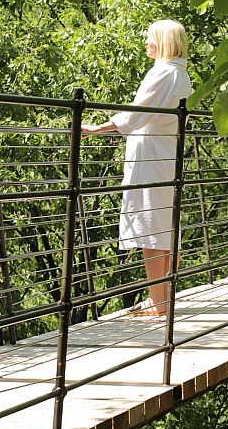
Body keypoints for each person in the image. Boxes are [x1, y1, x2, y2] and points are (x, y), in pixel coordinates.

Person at [81, 20, 193, 317]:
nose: (146, 43)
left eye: (149, 38)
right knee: (164, 226)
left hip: (152, 157)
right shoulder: (181, 74)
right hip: (165, 153)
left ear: (163, 41)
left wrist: (98, 128)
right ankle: (163, 297)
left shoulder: (164, 72)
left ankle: (157, 300)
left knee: (151, 226)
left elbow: (138, 112)